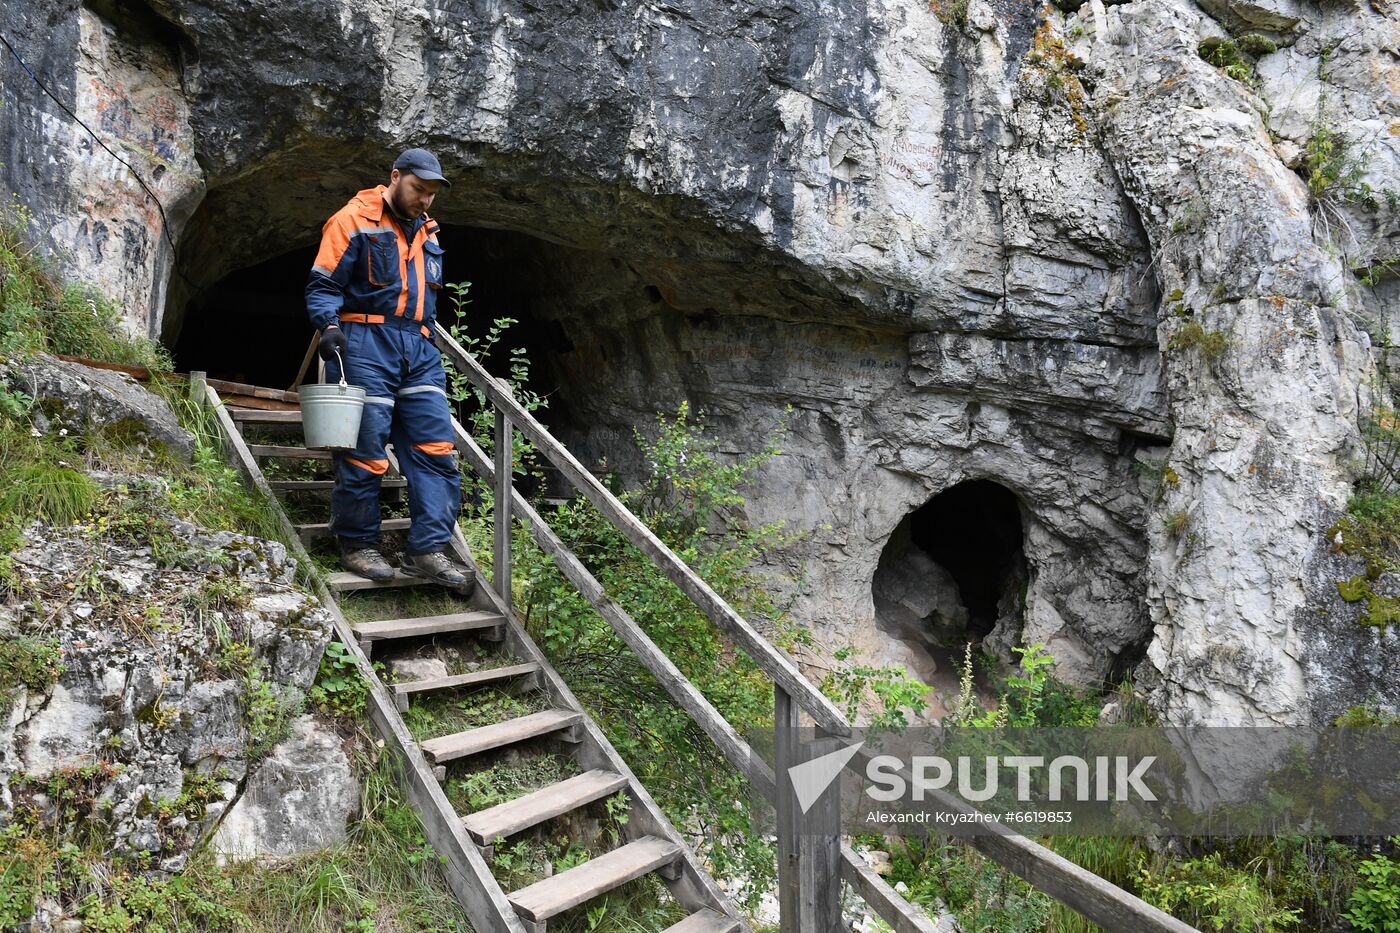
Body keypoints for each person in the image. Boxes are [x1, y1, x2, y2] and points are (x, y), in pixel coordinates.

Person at [304, 147, 473, 593]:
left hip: (418, 347)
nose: (425, 200)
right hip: (365, 343)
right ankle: (358, 544)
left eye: (433, 194)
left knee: (437, 450)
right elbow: (323, 284)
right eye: (419, 189)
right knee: (364, 450)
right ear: (395, 177)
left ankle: (427, 550)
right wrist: (329, 327)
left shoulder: (430, 234)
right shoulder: (353, 219)